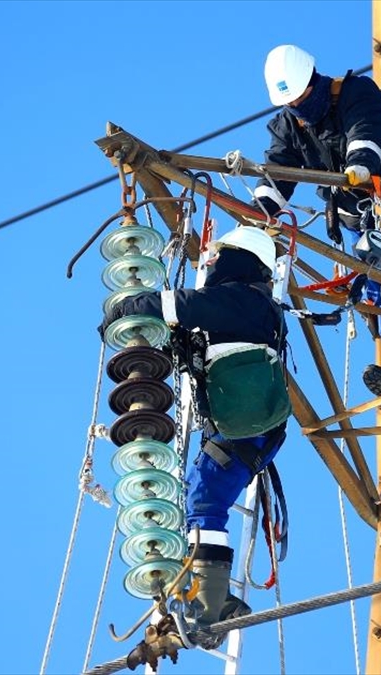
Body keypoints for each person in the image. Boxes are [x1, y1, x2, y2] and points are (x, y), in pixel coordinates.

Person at [101, 225, 290, 646]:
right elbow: (189, 319)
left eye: (218, 257)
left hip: (245, 428)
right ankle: (210, 597)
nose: (211, 264)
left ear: (239, 260)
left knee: (204, 499)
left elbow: (181, 305)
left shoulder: (244, 300)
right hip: (243, 427)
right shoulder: (241, 307)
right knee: (201, 499)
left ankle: (209, 604)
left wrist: (134, 307)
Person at [253, 44, 381, 409]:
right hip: (357, 214)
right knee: (375, 294)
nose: (298, 106)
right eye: (289, 102)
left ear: (313, 80)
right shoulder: (289, 125)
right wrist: (262, 210)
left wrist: (361, 162)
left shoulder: (355, 92)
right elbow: (278, 170)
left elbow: (367, 128)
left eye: (302, 97)